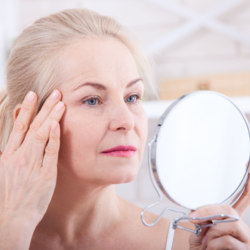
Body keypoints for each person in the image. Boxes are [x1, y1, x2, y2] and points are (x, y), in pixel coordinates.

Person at [0, 8, 250, 250]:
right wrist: (14, 230)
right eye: (92, 100)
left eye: (132, 97)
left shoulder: (185, 244)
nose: (127, 121)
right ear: (31, 120)